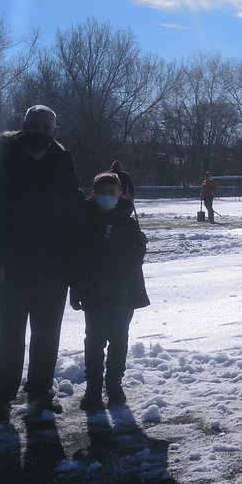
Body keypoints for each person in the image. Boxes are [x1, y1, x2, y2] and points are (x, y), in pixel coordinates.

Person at [0, 104, 84, 424]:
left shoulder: (61, 160)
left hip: (54, 266)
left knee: (48, 332)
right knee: (8, 333)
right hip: (10, 267)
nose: (41, 133)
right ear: (23, 125)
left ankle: (40, 392)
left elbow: (73, 210)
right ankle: (1, 401)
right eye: (35, 125)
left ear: (54, 131)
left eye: (47, 129)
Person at [69, 171, 150, 412]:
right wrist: (76, 289)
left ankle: (114, 383)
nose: (107, 197)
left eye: (111, 193)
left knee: (119, 337)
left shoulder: (127, 221)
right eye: (102, 193)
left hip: (123, 292)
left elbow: (135, 258)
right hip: (94, 292)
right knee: (94, 340)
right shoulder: (84, 221)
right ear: (94, 194)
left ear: (120, 194)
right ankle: (93, 387)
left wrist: (139, 245)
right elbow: (77, 258)